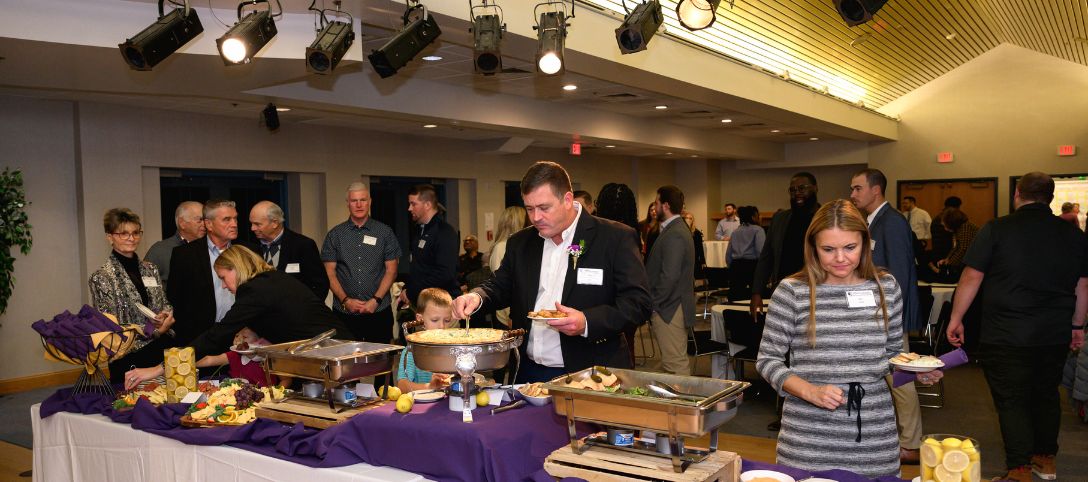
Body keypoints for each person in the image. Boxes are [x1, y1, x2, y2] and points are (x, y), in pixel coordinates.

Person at [755, 199, 943, 477]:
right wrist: (811, 391)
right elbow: (768, 361)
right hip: (808, 438)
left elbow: (891, 357)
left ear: (866, 244)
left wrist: (914, 372)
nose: (840, 258)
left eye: (850, 248)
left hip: (873, 435)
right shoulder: (792, 291)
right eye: (828, 249)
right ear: (813, 247)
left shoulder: (885, 287)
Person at [945, 172, 1088, 482]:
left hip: (1007, 332)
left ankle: (1019, 468)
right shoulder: (1074, 235)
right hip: (1054, 331)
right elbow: (1082, 285)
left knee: (1012, 399)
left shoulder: (997, 228)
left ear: (1017, 194)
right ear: (1050, 198)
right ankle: (1045, 460)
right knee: (1047, 394)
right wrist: (1078, 325)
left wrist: (955, 318)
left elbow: (972, 277)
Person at [452, 161, 651, 382]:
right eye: (529, 209)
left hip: (590, 370)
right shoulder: (521, 242)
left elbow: (638, 303)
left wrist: (587, 321)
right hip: (529, 372)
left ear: (567, 200)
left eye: (544, 208)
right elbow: (501, 284)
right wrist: (476, 296)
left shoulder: (613, 238)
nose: (536, 217)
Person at [126, 246, 352, 389]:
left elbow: (216, 336)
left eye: (223, 278)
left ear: (237, 268)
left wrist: (158, 369)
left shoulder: (254, 290)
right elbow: (284, 317)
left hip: (329, 355)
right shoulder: (271, 280)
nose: (224, 286)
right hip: (338, 349)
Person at [849, 168, 924, 464]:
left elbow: (900, 274)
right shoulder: (871, 222)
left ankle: (912, 443)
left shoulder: (891, 222)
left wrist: (893, 320)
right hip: (872, 316)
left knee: (899, 379)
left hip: (888, 319)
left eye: (857, 188)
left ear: (875, 190)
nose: (852, 194)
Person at [89, 208, 177, 384]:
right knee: (133, 408)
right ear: (109, 237)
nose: (131, 238)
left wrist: (166, 315)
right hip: (129, 355)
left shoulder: (150, 269)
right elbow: (111, 328)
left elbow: (164, 302)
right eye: (123, 233)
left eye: (135, 232)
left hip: (162, 348)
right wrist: (155, 332)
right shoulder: (102, 277)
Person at [167, 200, 255, 345]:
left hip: (243, 336)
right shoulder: (184, 255)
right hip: (200, 337)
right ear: (209, 224)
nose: (234, 224)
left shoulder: (250, 252)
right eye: (227, 219)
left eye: (235, 218)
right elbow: (175, 299)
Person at [322, 181, 400, 344]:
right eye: (354, 201)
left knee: (381, 363)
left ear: (370, 202)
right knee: (348, 365)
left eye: (363, 200)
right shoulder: (335, 235)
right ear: (348, 204)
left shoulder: (385, 233)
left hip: (378, 311)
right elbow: (329, 273)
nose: (359, 205)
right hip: (344, 314)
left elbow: (391, 270)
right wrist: (346, 301)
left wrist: (375, 300)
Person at [752, 172, 820, 320]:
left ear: (815, 188)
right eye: (793, 190)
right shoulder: (780, 219)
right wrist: (757, 292)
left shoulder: (825, 217)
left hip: (816, 293)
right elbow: (766, 258)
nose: (797, 193)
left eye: (802, 188)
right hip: (782, 292)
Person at [645, 186, 696, 375]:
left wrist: (654, 305)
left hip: (669, 308)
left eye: (657, 203)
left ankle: (684, 404)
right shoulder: (675, 229)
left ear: (665, 205)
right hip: (671, 306)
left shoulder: (675, 233)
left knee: (675, 365)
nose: (655, 207)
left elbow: (670, 277)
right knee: (672, 363)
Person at [125, 327, 276, 389]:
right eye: (236, 336)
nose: (238, 340)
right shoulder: (233, 356)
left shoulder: (267, 357)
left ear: (258, 340)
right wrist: (183, 361)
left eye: (244, 337)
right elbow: (210, 360)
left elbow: (284, 378)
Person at [595, 182, 643, 367]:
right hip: (623, 303)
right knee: (625, 350)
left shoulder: (604, 232)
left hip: (608, 303)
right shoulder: (632, 233)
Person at [249, 200, 328, 300]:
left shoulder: (302, 245)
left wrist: (307, 311)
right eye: (251, 223)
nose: (252, 228)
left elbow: (320, 285)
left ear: (274, 223)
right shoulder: (250, 247)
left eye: (257, 224)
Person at [402, 184, 461, 305]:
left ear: (427, 205)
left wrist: (412, 291)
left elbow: (444, 274)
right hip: (425, 302)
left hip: (442, 305)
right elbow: (419, 268)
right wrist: (407, 288)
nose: (409, 208)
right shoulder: (419, 230)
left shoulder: (444, 232)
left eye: (413, 204)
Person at [396, 288, 456, 393]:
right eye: (434, 320)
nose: (441, 326)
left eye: (447, 320)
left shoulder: (456, 348)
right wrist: (430, 386)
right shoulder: (412, 351)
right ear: (420, 319)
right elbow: (402, 386)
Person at [144, 201, 204, 287]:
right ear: (182, 223)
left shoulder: (210, 248)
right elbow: (146, 285)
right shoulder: (160, 250)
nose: (205, 224)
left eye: (205, 219)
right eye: (200, 220)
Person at [488, 206, 528, 328]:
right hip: (506, 318)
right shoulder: (502, 247)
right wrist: (510, 316)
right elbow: (503, 285)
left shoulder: (514, 246)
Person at [726, 205, 765, 302]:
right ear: (753, 217)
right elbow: (761, 251)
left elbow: (728, 255)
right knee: (753, 296)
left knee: (736, 297)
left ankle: (735, 316)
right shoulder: (758, 230)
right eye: (757, 215)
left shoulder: (735, 232)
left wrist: (731, 267)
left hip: (736, 266)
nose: (759, 217)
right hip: (752, 266)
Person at [934, 208, 979, 279]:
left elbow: (963, 249)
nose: (945, 228)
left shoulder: (966, 227)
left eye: (945, 225)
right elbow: (955, 248)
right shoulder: (958, 228)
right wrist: (947, 260)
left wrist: (949, 263)